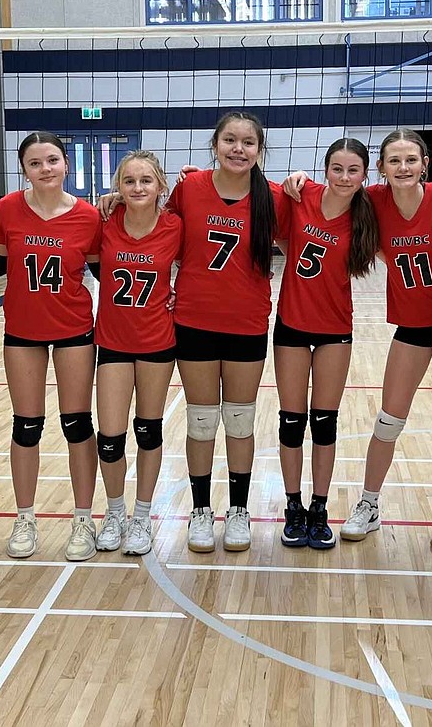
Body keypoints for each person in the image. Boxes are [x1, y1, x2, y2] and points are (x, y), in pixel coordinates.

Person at [289, 129, 432, 548]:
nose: (403, 168)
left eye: (411, 160)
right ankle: (369, 504)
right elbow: (323, 193)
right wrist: (295, 179)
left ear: (426, 163)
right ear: (381, 169)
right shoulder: (372, 203)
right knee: (389, 419)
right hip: (414, 322)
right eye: (394, 161)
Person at [166, 111, 286, 553]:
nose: (239, 149)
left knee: (239, 421)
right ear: (215, 145)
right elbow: (156, 234)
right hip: (194, 321)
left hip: (246, 324)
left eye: (248, 142)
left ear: (259, 150)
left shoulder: (274, 197)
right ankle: (200, 511)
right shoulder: (189, 188)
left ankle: (238, 511)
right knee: (200, 421)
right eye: (230, 140)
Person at [0, 132, 102, 560]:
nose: (45, 169)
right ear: (24, 168)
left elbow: (103, 273)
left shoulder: (89, 216)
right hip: (22, 331)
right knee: (27, 425)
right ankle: (25, 518)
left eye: (52, 160)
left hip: (74, 328)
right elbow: (2, 257)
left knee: (77, 423)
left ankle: (82, 519)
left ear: (66, 164)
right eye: (35, 162)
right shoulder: (6, 209)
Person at [274, 139, 378, 550]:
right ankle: (293, 506)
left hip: (336, 328)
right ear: (325, 169)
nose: (345, 177)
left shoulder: (367, 215)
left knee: (324, 423)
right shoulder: (302, 195)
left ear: (364, 175)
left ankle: (319, 508)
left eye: (353, 170)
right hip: (292, 325)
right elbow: (281, 237)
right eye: (337, 169)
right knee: (291, 421)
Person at [92, 151, 181, 557]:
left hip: (157, 343)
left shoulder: (176, 226)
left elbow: (201, 267)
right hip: (112, 340)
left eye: (147, 180)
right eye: (130, 181)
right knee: (109, 438)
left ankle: (142, 516)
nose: (138, 187)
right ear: (119, 188)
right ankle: (114, 513)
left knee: (148, 431)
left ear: (161, 186)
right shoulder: (105, 222)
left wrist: (181, 298)